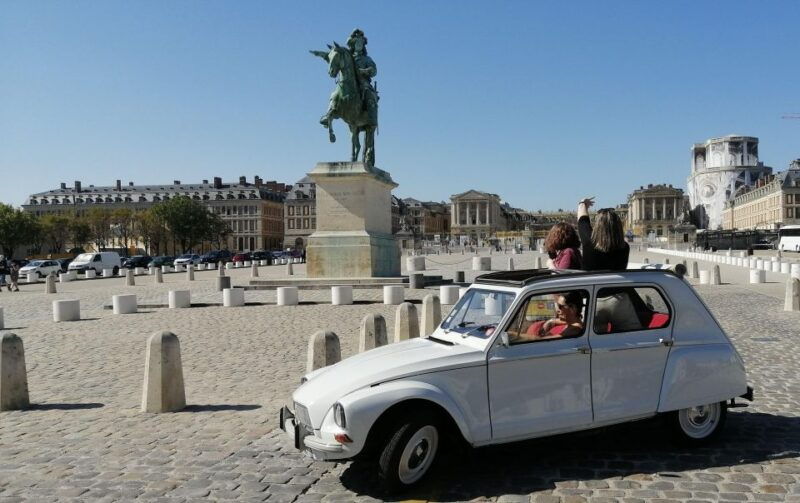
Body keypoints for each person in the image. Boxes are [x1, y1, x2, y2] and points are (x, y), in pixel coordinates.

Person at [577, 197, 629, 271]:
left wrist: (582, 203)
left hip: (589, 281)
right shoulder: (625, 247)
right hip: (615, 282)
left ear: (598, 225)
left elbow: (582, 221)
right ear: (619, 226)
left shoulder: (589, 243)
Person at [514, 292, 585, 342]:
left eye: (560, 307)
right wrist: (551, 321)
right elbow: (560, 321)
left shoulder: (574, 330)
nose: (557, 310)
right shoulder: (571, 322)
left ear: (572, 309)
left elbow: (540, 341)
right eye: (557, 305)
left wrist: (515, 336)